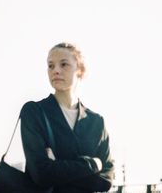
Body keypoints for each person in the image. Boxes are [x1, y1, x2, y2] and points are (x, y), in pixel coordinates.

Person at [20, 42, 114, 193]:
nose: (55, 70)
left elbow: (106, 180)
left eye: (64, 64)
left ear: (80, 71)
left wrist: (57, 168)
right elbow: (41, 174)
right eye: (51, 66)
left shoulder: (96, 122)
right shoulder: (34, 112)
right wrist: (91, 164)